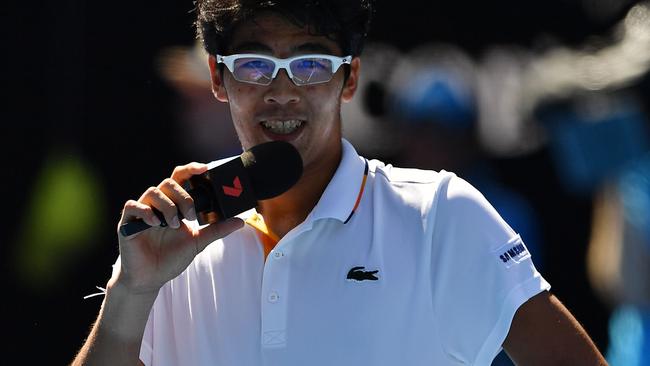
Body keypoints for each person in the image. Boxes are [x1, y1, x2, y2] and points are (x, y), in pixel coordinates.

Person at [71, 1, 608, 365]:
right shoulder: (171, 243)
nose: (282, 90)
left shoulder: (440, 212)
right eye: (255, 65)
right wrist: (131, 292)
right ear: (218, 77)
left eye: (310, 64)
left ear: (349, 77)